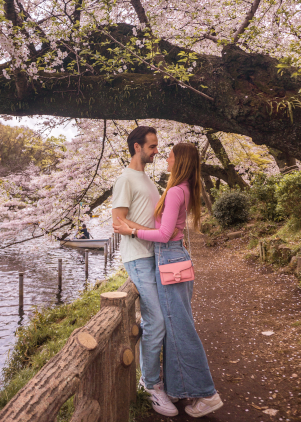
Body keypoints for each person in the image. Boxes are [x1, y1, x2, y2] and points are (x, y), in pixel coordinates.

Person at [114, 143, 223, 418]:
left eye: (170, 154)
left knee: (180, 328)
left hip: (169, 258)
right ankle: (180, 387)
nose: (166, 157)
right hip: (174, 258)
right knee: (176, 327)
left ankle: (207, 394)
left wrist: (132, 231)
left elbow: (163, 235)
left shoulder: (175, 191)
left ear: (181, 160)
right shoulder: (186, 188)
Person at [112, 126, 179, 417]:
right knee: (157, 320)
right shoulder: (125, 179)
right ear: (137, 147)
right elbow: (118, 222)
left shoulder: (147, 179)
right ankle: (150, 385)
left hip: (157, 257)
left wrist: (164, 234)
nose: (156, 152)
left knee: (165, 318)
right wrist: (156, 233)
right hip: (138, 258)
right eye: (151, 146)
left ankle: (157, 377)